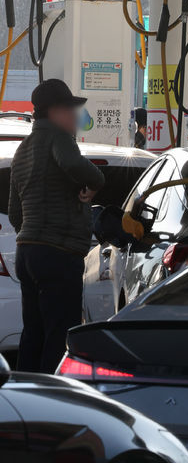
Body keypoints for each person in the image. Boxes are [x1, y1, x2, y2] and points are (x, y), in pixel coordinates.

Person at [9, 79, 105, 372]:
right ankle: (54, 394)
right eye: (70, 109)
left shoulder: (22, 149)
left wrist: (35, 232)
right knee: (59, 336)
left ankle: (24, 392)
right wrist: (96, 181)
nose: (75, 116)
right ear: (54, 112)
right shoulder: (59, 138)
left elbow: (14, 213)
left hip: (27, 253)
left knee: (33, 333)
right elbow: (73, 164)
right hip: (58, 253)